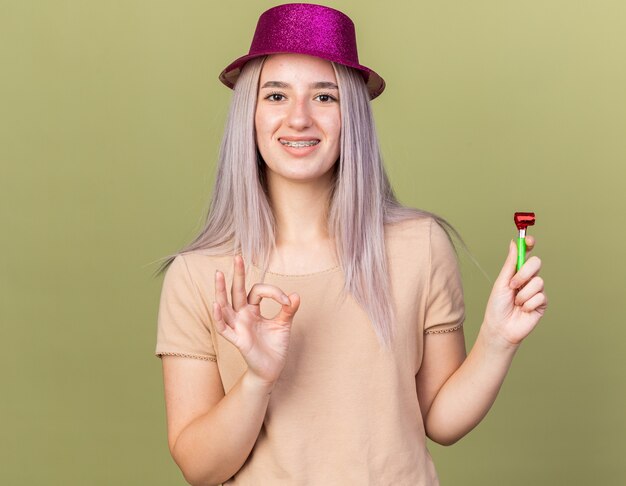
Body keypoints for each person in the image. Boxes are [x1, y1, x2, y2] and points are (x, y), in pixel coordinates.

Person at [153, 3, 548, 485]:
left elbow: (440, 422)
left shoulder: (420, 247)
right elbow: (199, 467)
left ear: (352, 116)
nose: (298, 119)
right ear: (249, 115)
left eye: (325, 97)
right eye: (276, 95)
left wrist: (497, 341)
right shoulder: (197, 277)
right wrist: (258, 379)